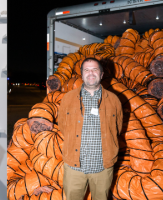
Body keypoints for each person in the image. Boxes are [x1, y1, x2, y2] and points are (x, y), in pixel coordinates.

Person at [58, 58, 123, 200]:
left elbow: (116, 129)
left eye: (95, 69)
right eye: (86, 70)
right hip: (74, 167)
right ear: (82, 75)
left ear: (101, 74)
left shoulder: (114, 100)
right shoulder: (67, 99)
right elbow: (62, 125)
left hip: (102, 167)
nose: (91, 73)